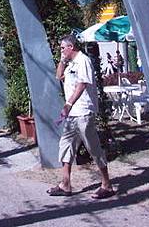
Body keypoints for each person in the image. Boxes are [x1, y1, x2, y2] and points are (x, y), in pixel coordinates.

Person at [47, 34, 114, 199]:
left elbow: (82, 84)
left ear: (71, 47)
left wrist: (68, 104)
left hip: (83, 112)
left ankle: (107, 185)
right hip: (72, 115)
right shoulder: (70, 63)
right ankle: (65, 184)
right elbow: (58, 76)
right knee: (66, 145)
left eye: (63, 48)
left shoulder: (83, 60)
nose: (61, 50)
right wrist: (62, 61)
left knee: (93, 148)